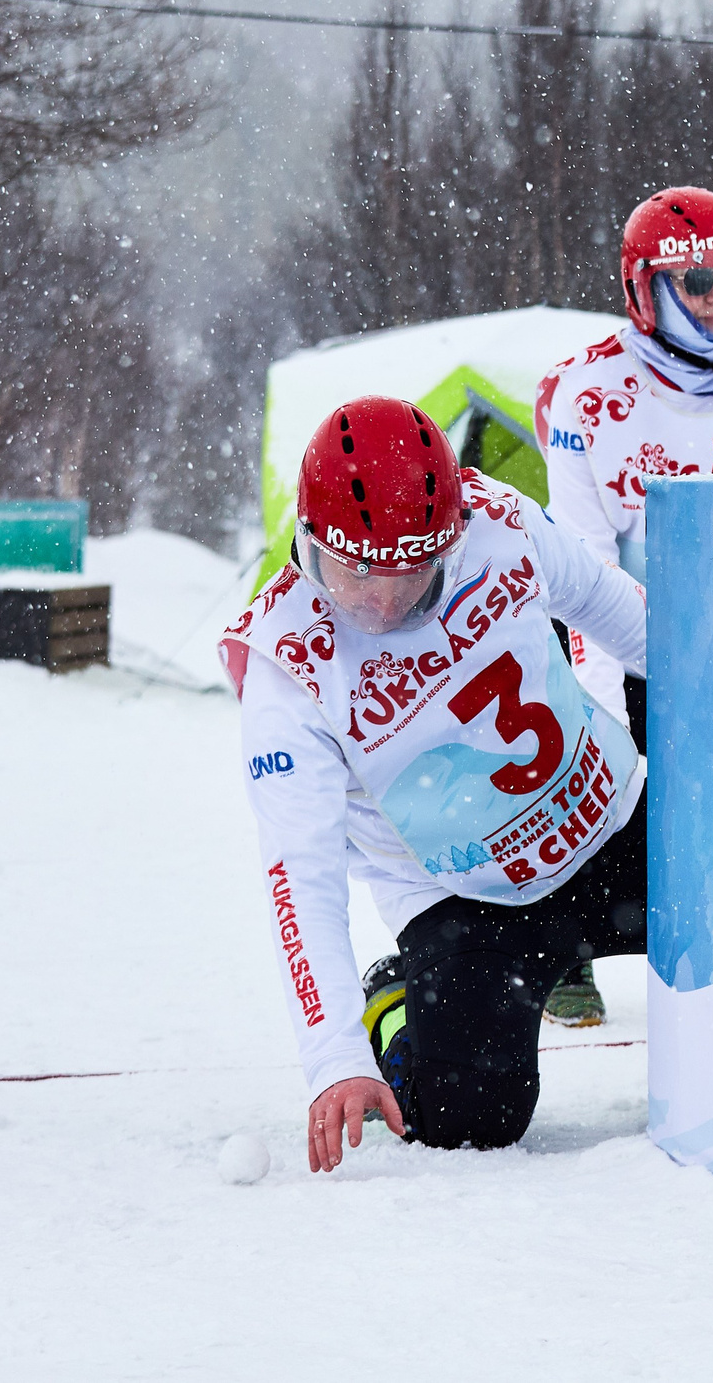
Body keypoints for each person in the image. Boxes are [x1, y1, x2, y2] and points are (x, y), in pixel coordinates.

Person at [220, 394, 648, 1165]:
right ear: (310, 539)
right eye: (353, 572)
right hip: (467, 902)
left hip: (606, 827)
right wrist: (336, 1057)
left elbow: (621, 614)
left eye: (413, 570)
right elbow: (300, 876)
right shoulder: (286, 666)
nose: (382, 600)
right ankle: (397, 1003)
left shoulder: (499, 520)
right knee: (472, 1119)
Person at [529, 185, 713, 1025]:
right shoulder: (587, 391)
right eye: (698, 282)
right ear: (645, 289)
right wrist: (602, 703)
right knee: (618, 802)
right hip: (636, 631)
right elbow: (581, 558)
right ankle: (561, 946)